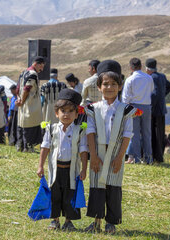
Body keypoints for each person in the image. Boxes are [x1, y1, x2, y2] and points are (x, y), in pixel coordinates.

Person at [85, 60, 137, 234]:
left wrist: (120, 157)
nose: (109, 87)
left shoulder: (126, 110)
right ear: (99, 86)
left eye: (114, 84)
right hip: (98, 152)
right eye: (105, 84)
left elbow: (127, 134)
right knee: (97, 185)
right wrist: (93, 155)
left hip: (116, 153)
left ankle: (111, 223)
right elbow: (90, 132)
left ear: (120, 86)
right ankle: (96, 221)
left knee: (113, 187)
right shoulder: (93, 109)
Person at [37, 88, 88, 231]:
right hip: (55, 169)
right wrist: (40, 166)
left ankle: (69, 221)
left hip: (72, 170)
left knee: (70, 195)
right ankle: (55, 221)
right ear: (56, 113)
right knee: (55, 194)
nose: (66, 114)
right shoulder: (51, 129)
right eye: (63, 111)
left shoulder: (79, 130)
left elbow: (84, 150)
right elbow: (45, 147)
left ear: (77, 113)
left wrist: (84, 169)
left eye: (71, 111)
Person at [122, 58, 154, 164]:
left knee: (134, 134)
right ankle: (148, 158)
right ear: (141, 66)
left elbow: (125, 97)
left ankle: (136, 158)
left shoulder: (130, 79)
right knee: (147, 133)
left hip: (134, 107)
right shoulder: (149, 78)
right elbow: (151, 90)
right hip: (147, 106)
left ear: (131, 67)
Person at [146, 58, 170, 163]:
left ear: (148, 69)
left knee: (154, 134)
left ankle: (156, 157)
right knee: (161, 134)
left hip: (155, 111)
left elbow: (155, 94)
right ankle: (160, 156)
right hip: (162, 110)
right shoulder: (162, 76)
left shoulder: (152, 77)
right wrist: (163, 96)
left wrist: (150, 106)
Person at [16, 56, 45, 152]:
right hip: (30, 103)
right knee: (30, 124)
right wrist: (23, 101)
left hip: (23, 102)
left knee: (22, 123)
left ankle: (20, 146)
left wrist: (18, 99)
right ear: (37, 64)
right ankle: (28, 147)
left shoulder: (23, 72)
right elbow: (27, 88)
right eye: (41, 67)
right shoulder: (33, 74)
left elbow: (17, 88)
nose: (42, 69)